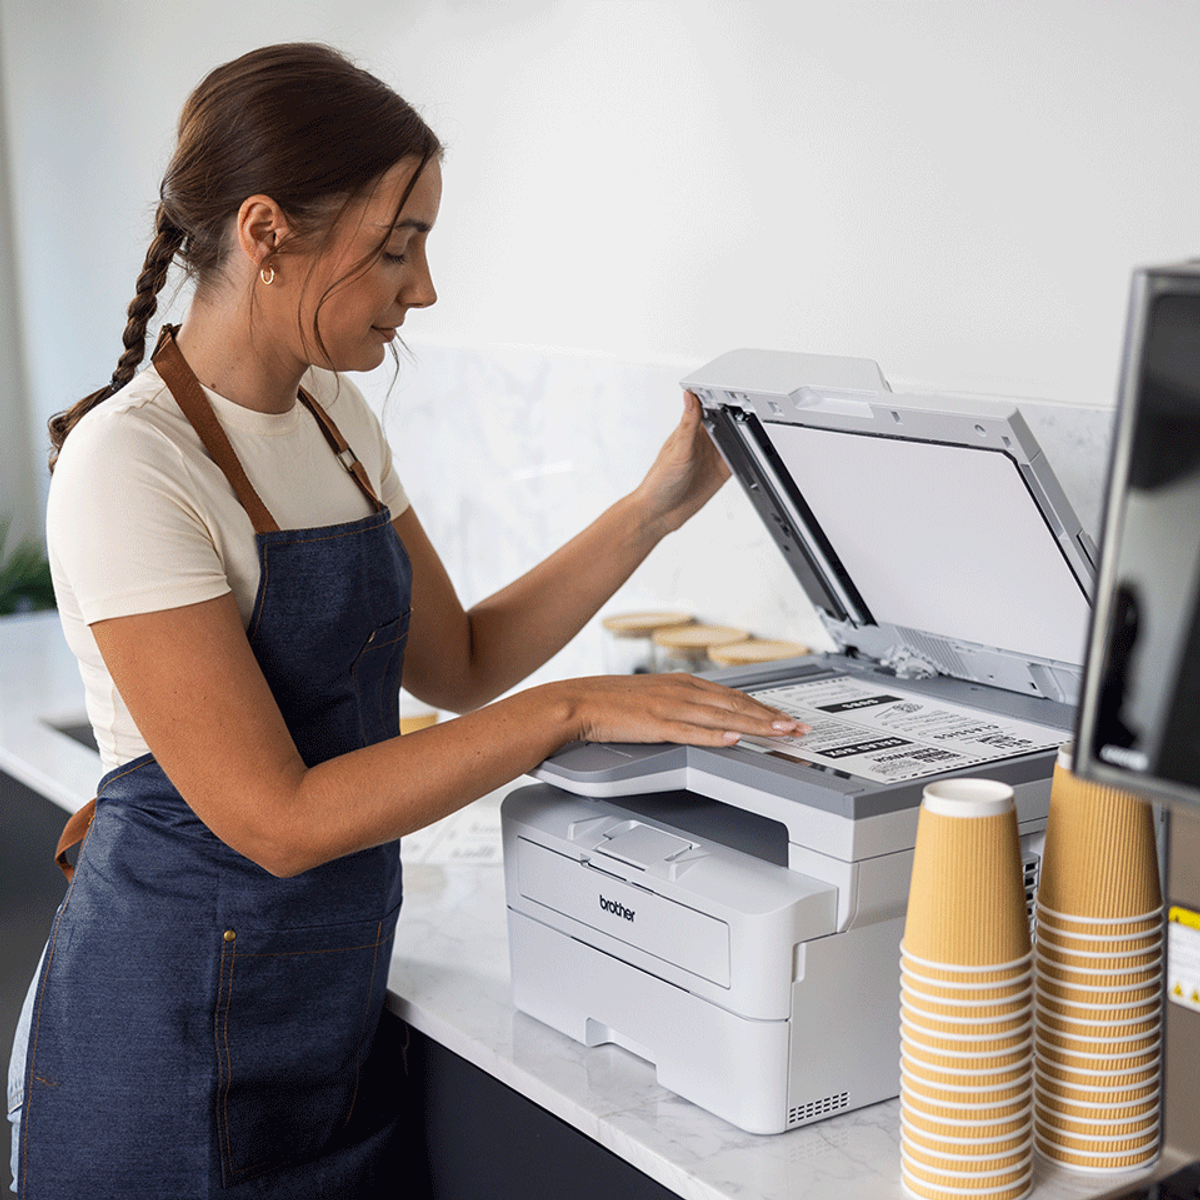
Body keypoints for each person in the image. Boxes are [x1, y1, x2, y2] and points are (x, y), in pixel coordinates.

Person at [7, 42, 805, 1199]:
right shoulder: (131, 465)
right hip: (166, 1040)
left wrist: (654, 510)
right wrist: (573, 710)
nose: (422, 288)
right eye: (397, 247)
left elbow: (461, 662)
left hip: (325, 1019)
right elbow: (274, 820)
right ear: (268, 232)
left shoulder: (335, 419)